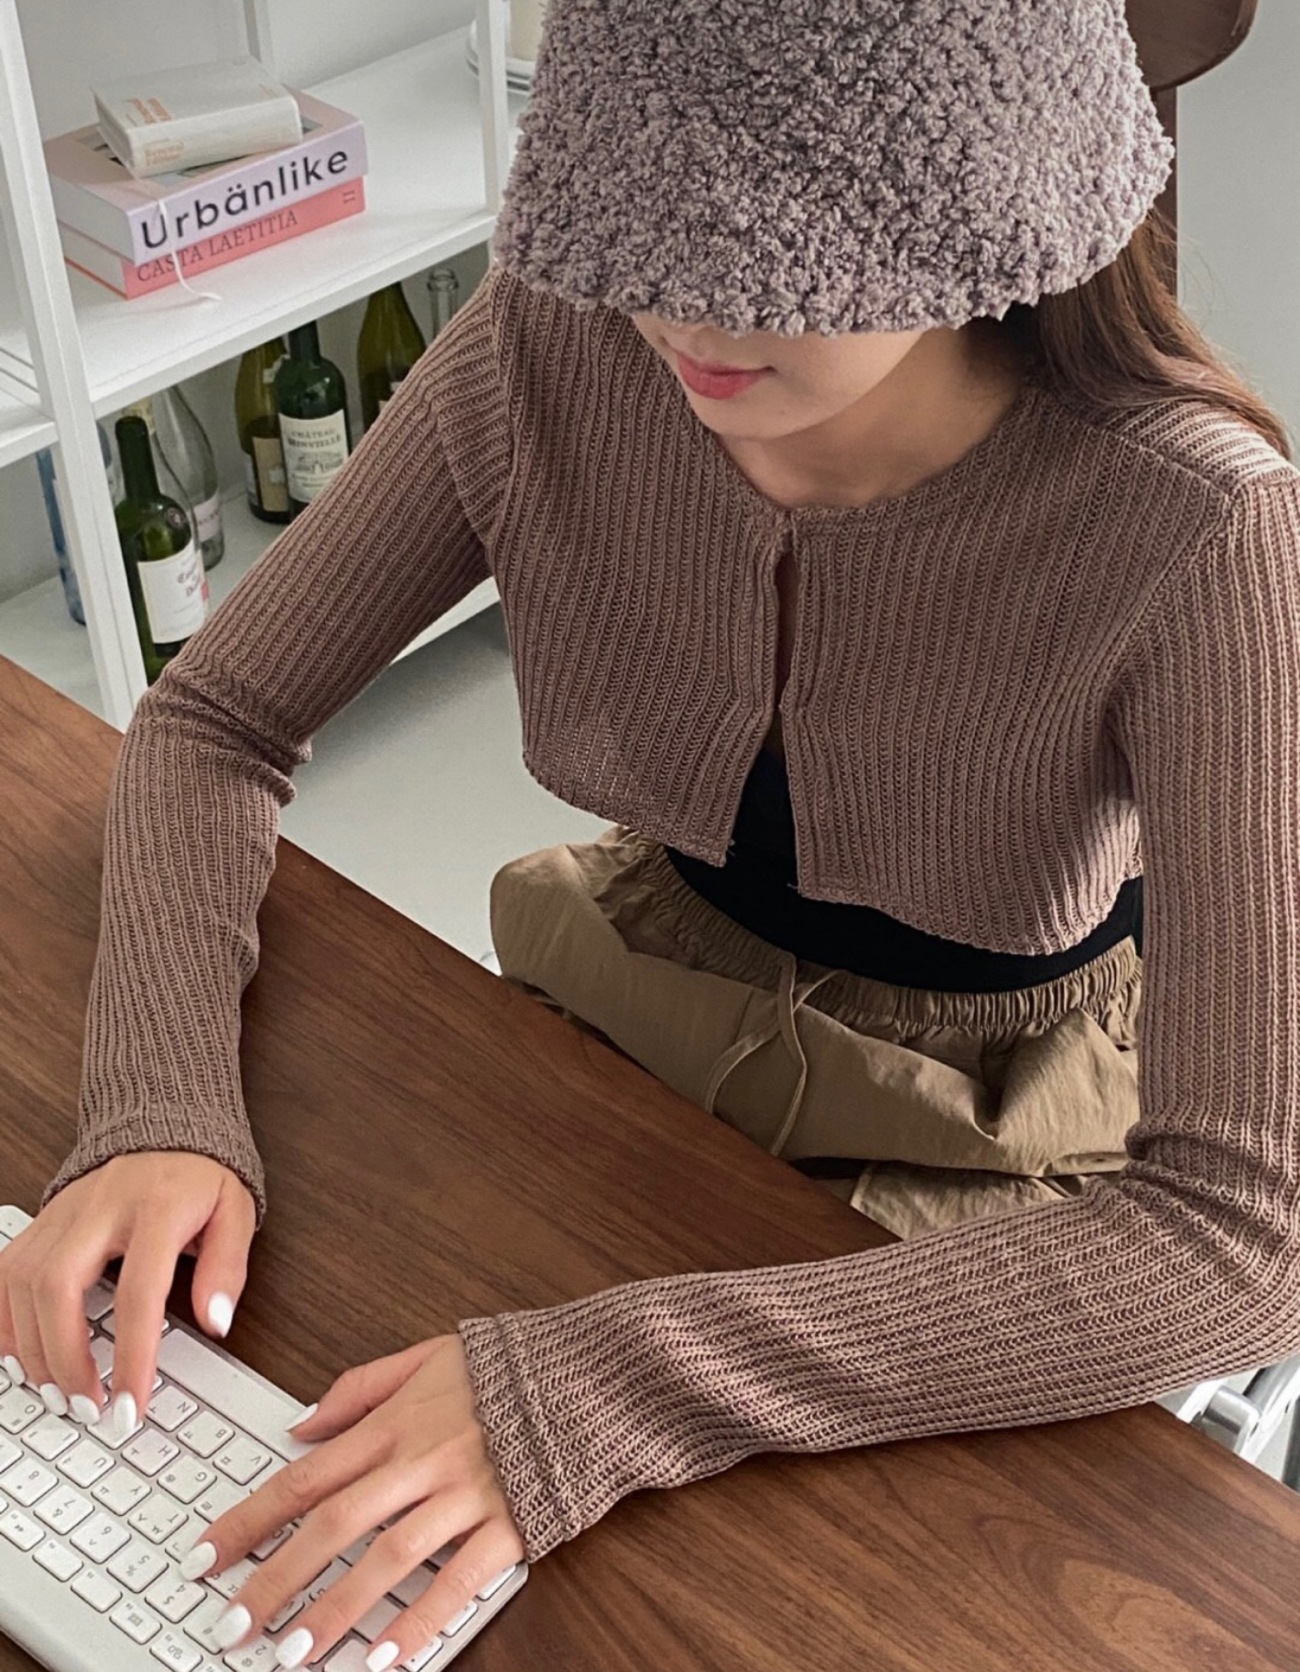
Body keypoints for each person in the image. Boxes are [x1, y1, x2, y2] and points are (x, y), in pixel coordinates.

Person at [5, 0, 1300, 1664]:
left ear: (989, 190)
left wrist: (605, 1387)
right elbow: (214, 721)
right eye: (635, 219)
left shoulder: (1202, 530)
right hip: (635, 982)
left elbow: (1242, 1229)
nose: (679, 310)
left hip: (990, 1122)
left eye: (771, 250)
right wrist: (157, 1105)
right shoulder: (548, 348)